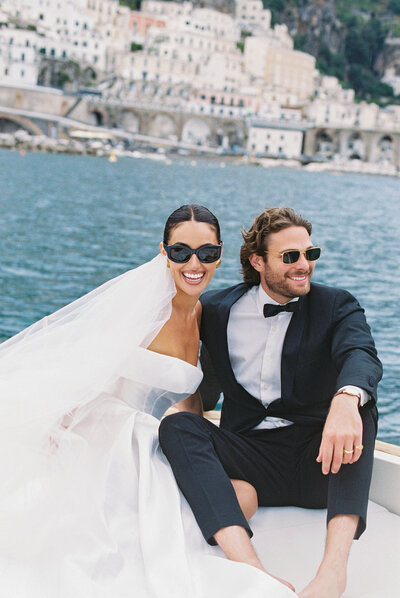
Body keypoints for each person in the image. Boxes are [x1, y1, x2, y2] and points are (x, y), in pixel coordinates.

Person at [0, 205, 294, 598]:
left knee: (244, 496)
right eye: (181, 252)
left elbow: (187, 398)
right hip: (110, 438)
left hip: (156, 439)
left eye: (206, 253)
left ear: (220, 254)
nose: (194, 263)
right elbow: (83, 371)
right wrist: (59, 441)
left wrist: (205, 444)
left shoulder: (200, 313)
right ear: (163, 253)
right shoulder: (144, 308)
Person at [159, 207, 382, 598]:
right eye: (290, 257)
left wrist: (345, 400)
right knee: (176, 426)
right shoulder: (215, 310)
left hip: (320, 465)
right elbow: (204, 386)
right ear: (258, 261)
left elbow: (360, 354)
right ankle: (250, 569)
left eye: (310, 255)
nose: (303, 266)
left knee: (359, 404)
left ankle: (333, 573)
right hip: (252, 461)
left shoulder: (336, 305)